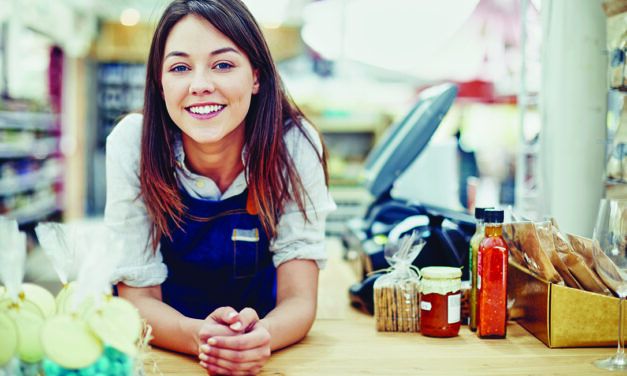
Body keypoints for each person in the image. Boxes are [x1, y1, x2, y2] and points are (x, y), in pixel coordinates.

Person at [104, 0, 335, 374]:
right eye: (180, 67)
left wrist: (263, 337)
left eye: (223, 64)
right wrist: (200, 338)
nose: (200, 85)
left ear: (256, 76)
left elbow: (299, 297)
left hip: (264, 348)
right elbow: (137, 299)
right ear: (160, 86)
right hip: (163, 351)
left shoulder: (293, 144)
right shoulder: (133, 143)